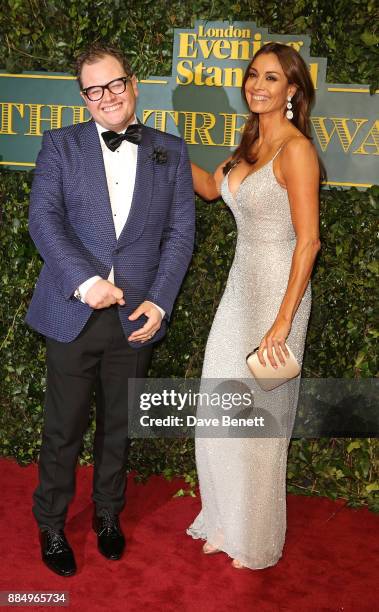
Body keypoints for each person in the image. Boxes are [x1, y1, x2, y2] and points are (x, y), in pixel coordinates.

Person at [26, 43, 195, 577]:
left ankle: (107, 515)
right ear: (83, 97)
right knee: (63, 429)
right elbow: (44, 221)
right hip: (73, 311)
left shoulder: (170, 150)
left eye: (115, 84)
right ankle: (52, 523)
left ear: (134, 83)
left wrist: (161, 302)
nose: (107, 97)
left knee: (119, 427)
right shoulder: (60, 145)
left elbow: (180, 234)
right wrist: (85, 281)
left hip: (138, 317)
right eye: (94, 90)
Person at [187, 42, 321, 569]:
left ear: (292, 90)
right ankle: (225, 522)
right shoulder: (249, 146)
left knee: (260, 421)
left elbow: (308, 242)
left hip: (278, 296)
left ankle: (257, 540)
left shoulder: (296, 151)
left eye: (271, 78)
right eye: (252, 76)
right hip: (239, 289)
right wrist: (161, 149)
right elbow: (210, 190)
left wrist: (283, 321)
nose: (257, 85)